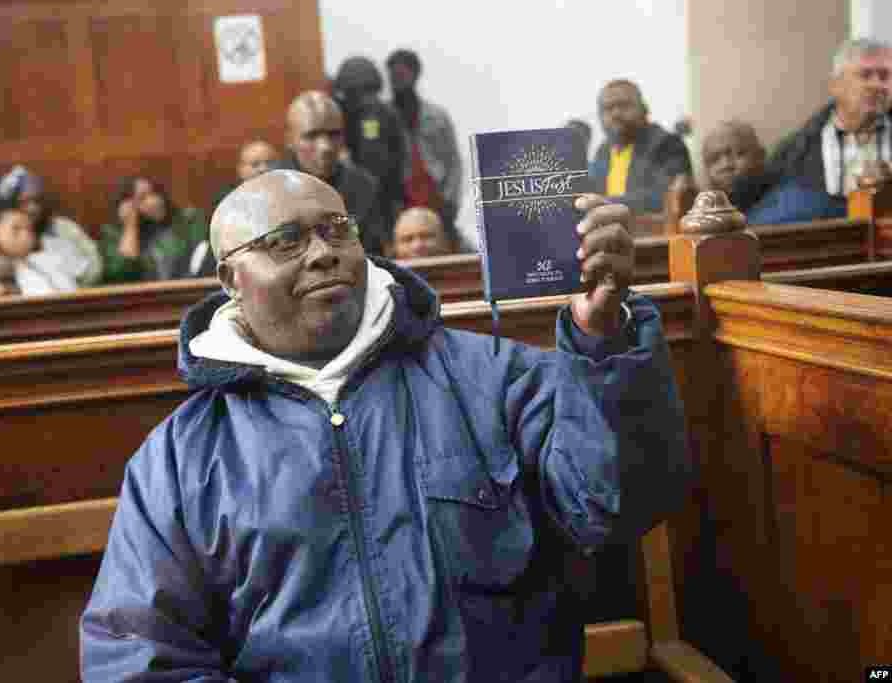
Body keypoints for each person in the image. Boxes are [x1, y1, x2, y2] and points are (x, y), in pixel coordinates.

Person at [80, 169, 692, 682]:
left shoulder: (489, 376)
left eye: (334, 229)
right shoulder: (183, 457)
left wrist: (602, 342)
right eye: (286, 240)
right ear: (230, 281)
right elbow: (137, 658)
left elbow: (613, 504)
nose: (323, 252)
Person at [733, 37, 891, 205]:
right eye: (865, 75)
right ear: (835, 85)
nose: (877, 85)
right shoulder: (796, 151)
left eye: (884, 76)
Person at [271, 90, 387, 256]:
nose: (325, 147)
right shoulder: (268, 191)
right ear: (290, 140)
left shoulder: (364, 187)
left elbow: (375, 256)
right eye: (311, 136)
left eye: (334, 135)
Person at [386, 49, 463, 246]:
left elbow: (454, 162)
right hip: (400, 201)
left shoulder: (436, 115)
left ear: (415, 75)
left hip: (435, 197)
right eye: (393, 75)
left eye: (402, 75)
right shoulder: (383, 114)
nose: (397, 80)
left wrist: (451, 200)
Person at [702, 120, 845, 225]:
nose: (726, 165)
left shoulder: (797, 200)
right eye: (714, 160)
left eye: (737, 153)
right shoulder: (707, 222)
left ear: (760, 155)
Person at [589, 79, 692, 213]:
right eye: (608, 108)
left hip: (653, 231)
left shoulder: (667, 144)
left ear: (644, 109)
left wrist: (601, 203)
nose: (615, 113)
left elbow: (663, 198)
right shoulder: (602, 151)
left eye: (624, 105)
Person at [333, 56, 408, 236]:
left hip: (383, 195)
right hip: (357, 194)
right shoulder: (341, 113)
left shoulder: (383, 114)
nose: (366, 99)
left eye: (369, 91)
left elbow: (397, 158)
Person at [0, 166, 103, 286]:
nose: (33, 208)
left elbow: (94, 268)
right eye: (24, 202)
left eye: (37, 201)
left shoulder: (62, 229)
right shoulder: (3, 242)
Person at [194, 141, 281, 277]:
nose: (263, 169)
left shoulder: (291, 199)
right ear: (241, 170)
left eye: (270, 163)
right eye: (255, 165)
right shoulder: (225, 206)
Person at [100, 176, 209, 284]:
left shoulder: (187, 220)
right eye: (142, 198)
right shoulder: (113, 233)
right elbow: (122, 276)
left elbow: (201, 258)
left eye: (154, 193)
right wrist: (130, 226)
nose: (154, 201)